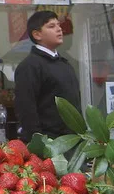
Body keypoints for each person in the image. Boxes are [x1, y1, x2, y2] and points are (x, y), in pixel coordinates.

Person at [14, 10, 81, 142]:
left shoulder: (65, 64)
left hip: (72, 141)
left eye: (58, 25)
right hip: (49, 145)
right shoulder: (30, 66)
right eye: (51, 26)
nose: (59, 29)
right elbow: (26, 109)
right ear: (37, 34)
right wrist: (38, 144)